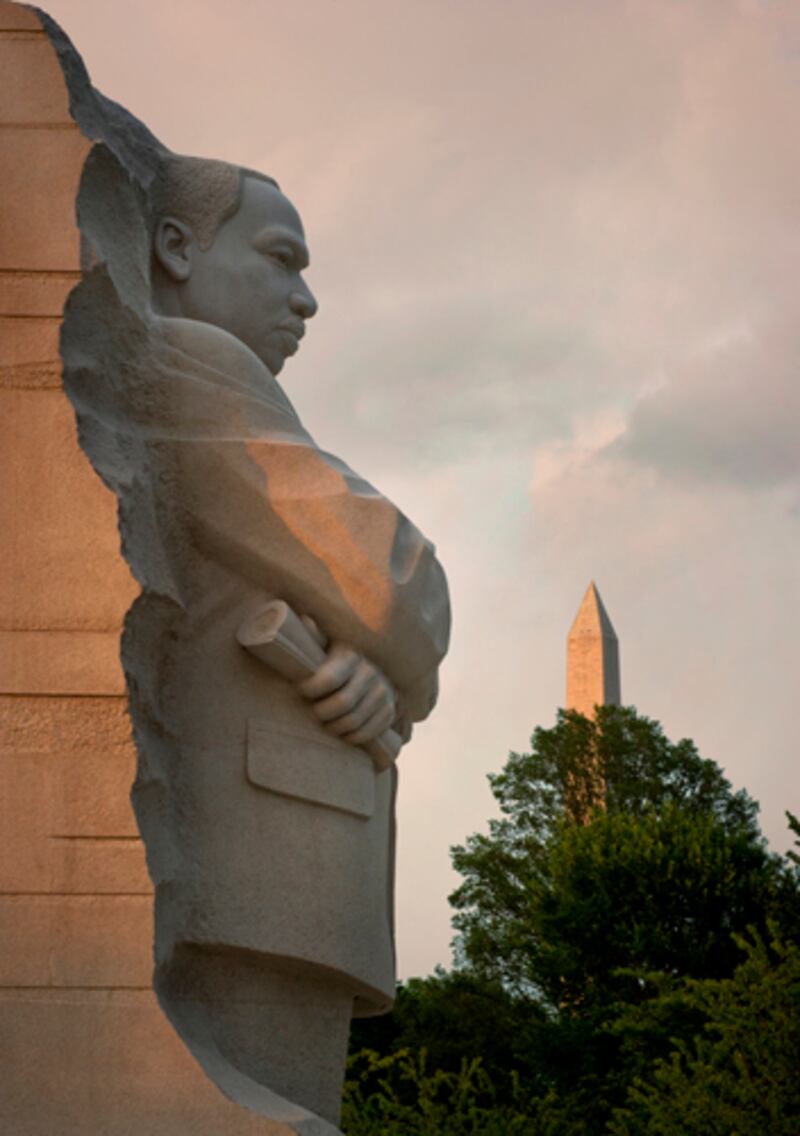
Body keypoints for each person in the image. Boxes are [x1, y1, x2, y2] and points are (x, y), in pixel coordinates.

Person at [65, 148, 450, 1130]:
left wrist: (374, 665)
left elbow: (336, 594)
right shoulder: (187, 358)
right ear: (177, 246)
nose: (306, 299)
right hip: (259, 863)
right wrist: (389, 642)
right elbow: (391, 576)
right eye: (281, 258)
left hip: (273, 865)